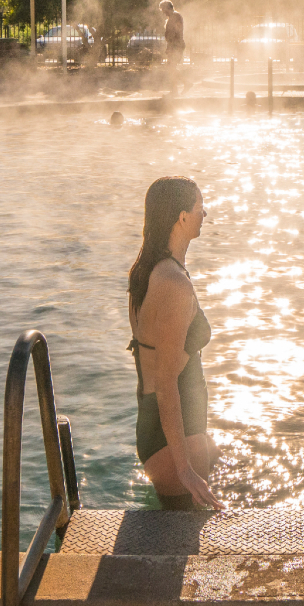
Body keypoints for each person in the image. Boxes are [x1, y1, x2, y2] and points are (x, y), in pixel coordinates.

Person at [128, 176, 220, 511]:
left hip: (171, 428)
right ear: (181, 217)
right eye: (199, 208)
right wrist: (184, 469)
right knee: (184, 549)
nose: (204, 214)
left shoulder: (149, 269)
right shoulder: (172, 283)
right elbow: (166, 382)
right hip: (172, 439)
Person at [159, 0, 186, 90]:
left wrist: (170, 42)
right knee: (171, 68)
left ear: (167, 8)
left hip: (176, 46)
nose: (163, 13)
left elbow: (174, 32)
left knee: (171, 68)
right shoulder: (173, 17)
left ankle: (184, 84)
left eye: (163, 10)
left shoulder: (175, 16)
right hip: (173, 46)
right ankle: (175, 88)